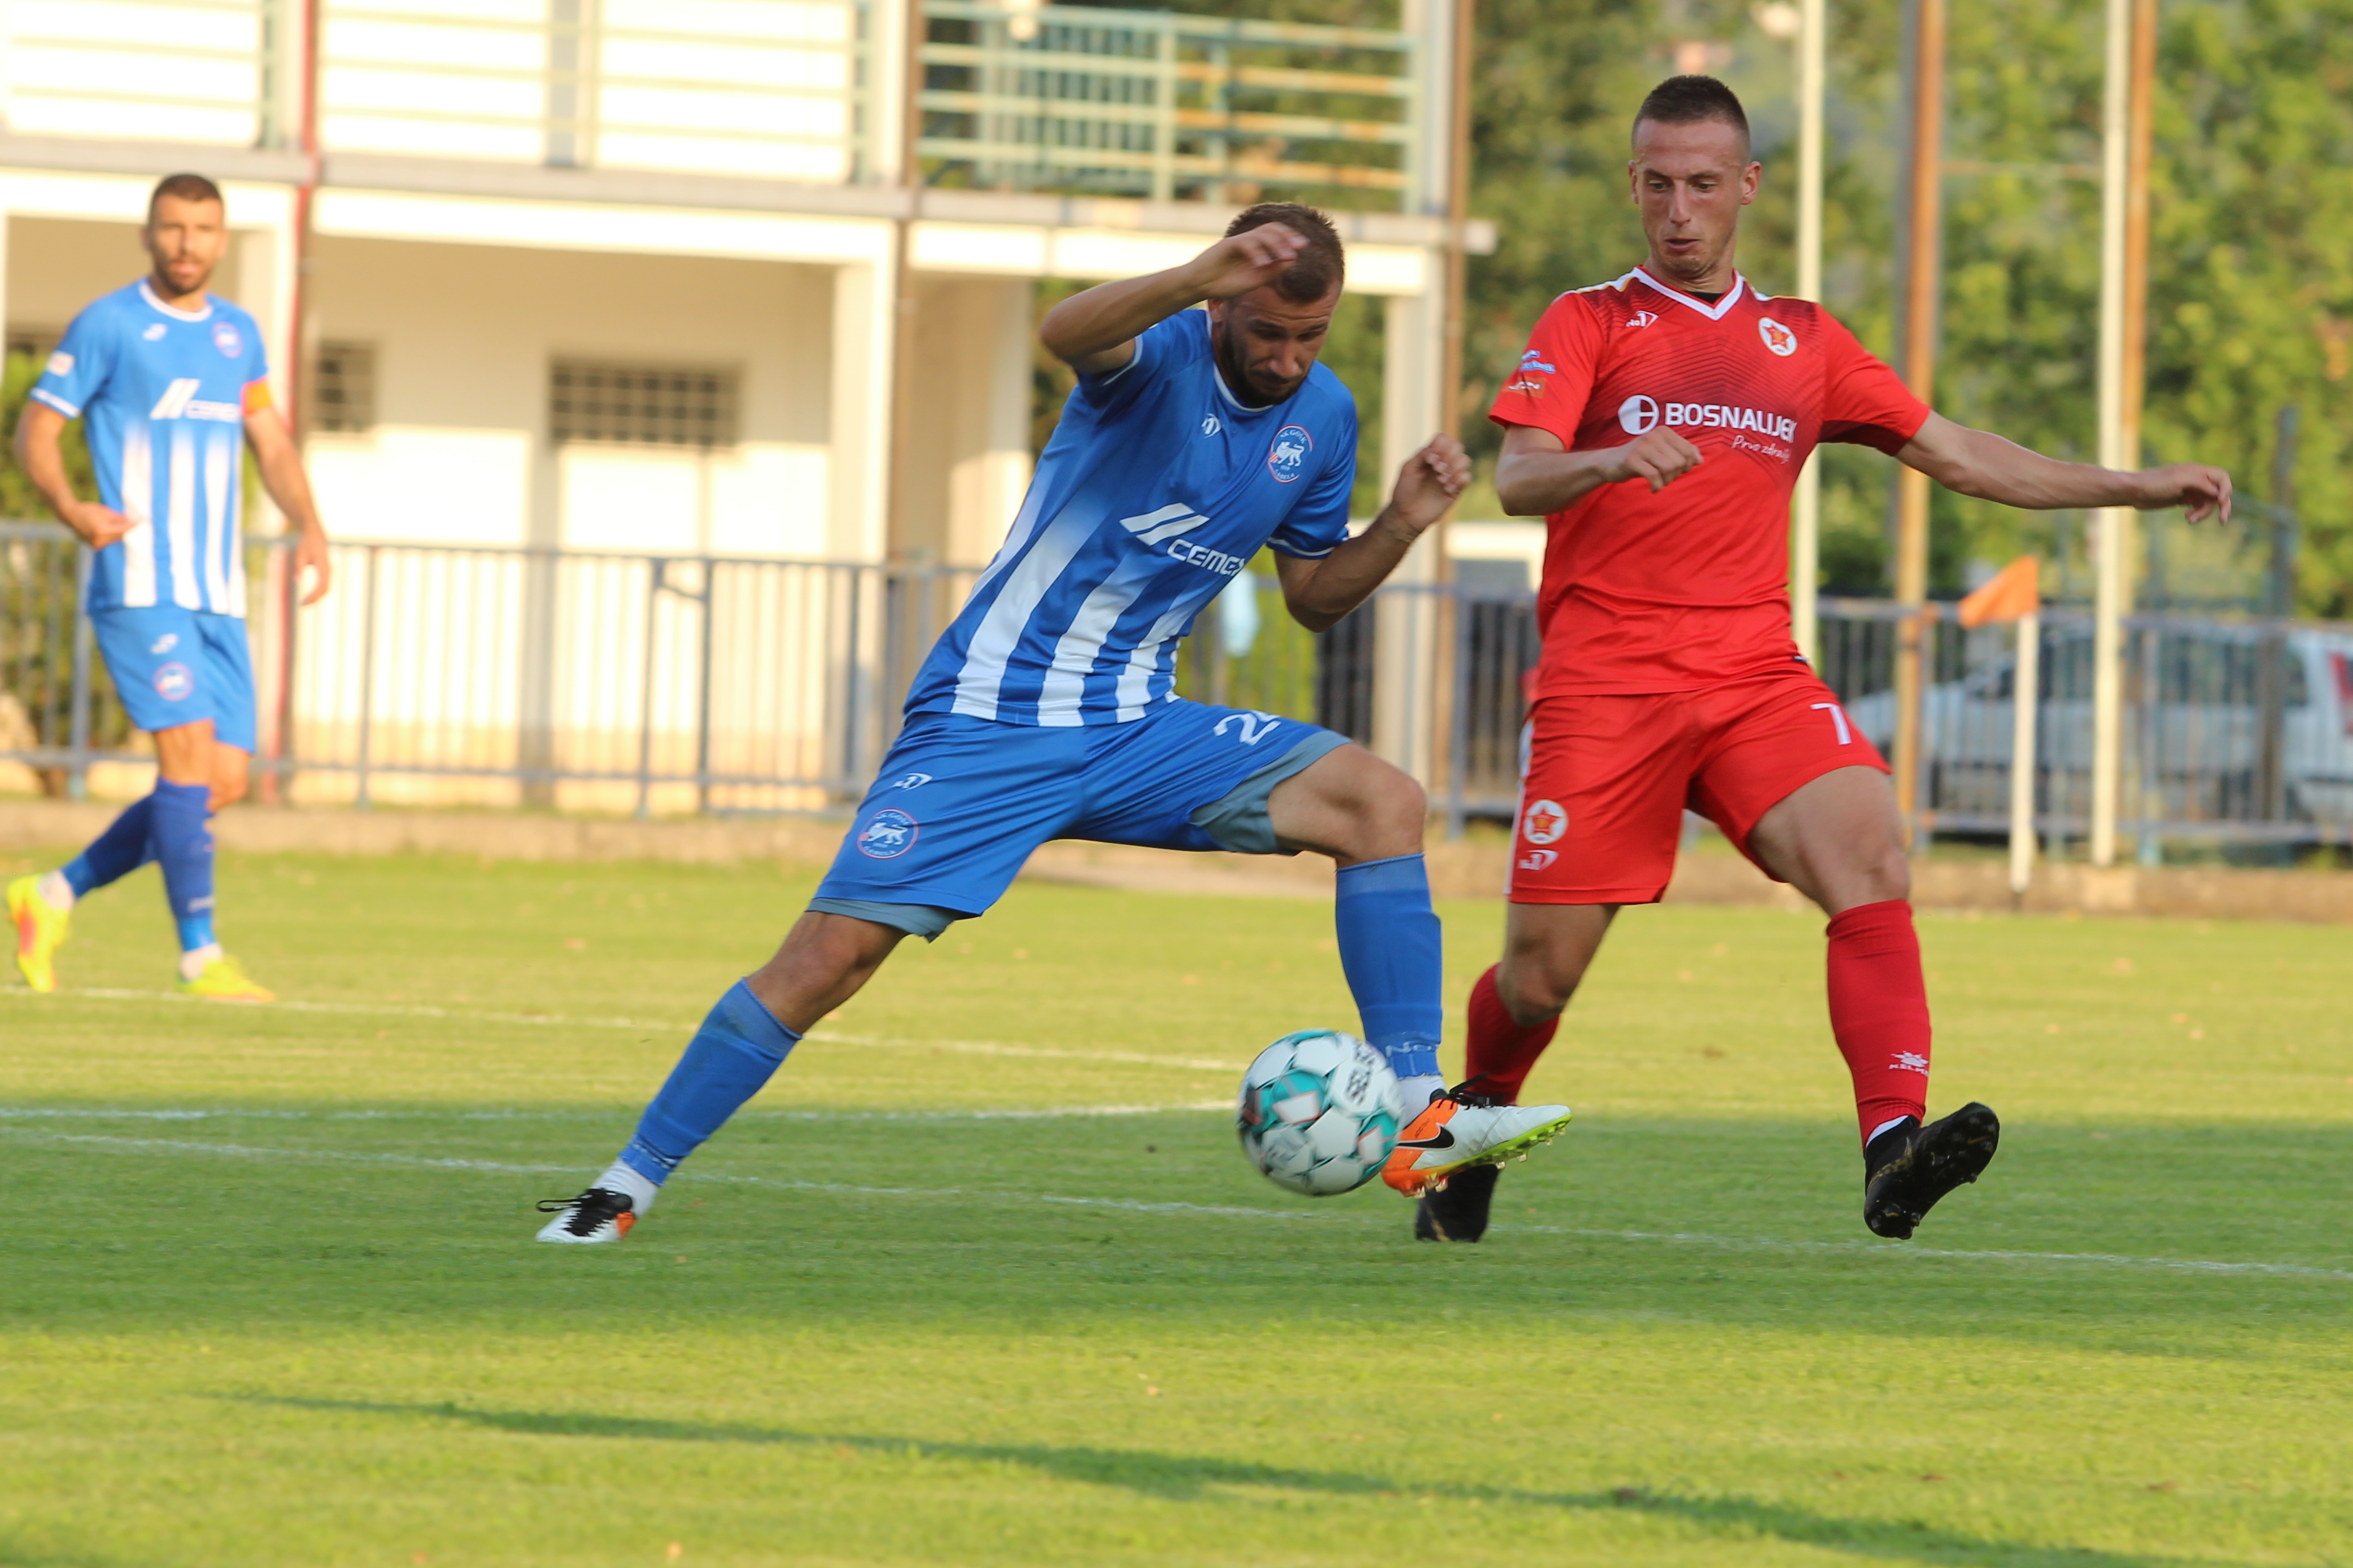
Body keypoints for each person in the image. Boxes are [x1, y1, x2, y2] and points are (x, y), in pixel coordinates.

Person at [533, 204, 1569, 1244]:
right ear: (1221, 306)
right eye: (1267, 333)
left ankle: (1423, 1109)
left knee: (1380, 802)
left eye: (1311, 337)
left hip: (1135, 726)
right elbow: (1067, 333)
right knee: (826, 962)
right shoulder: (1159, 351)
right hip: (994, 718)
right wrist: (1197, 273)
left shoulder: (1325, 416)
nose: (1290, 359)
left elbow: (1313, 596)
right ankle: (621, 1191)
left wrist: (1400, 524)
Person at [1430, 76, 2234, 1247]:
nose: (1678, 209)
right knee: (1540, 980)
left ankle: (1892, 1146)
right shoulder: (1590, 320)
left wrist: (2135, 486)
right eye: (1657, 184)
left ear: (1747, 187)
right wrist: (1610, 459)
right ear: (1635, 186)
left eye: (1703, 185)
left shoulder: (1797, 340)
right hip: (1608, 690)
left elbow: (1959, 452)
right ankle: (1473, 1123)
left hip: (1755, 676)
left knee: (1871, 852)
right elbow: (1518, 475)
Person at [5, 175, 330, 1003]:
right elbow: (35, 428)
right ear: (149, 235)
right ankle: (201, 957)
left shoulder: (236, 335)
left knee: (218, 781)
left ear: (223, 240)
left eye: (204, 229)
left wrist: (312, 526)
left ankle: (48, 896)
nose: (188, 243)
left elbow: (274, 443)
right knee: (185, 760)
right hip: (140, 579)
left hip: (215, 589)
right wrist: (73, 507)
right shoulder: (111, 324)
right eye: (173, 228)